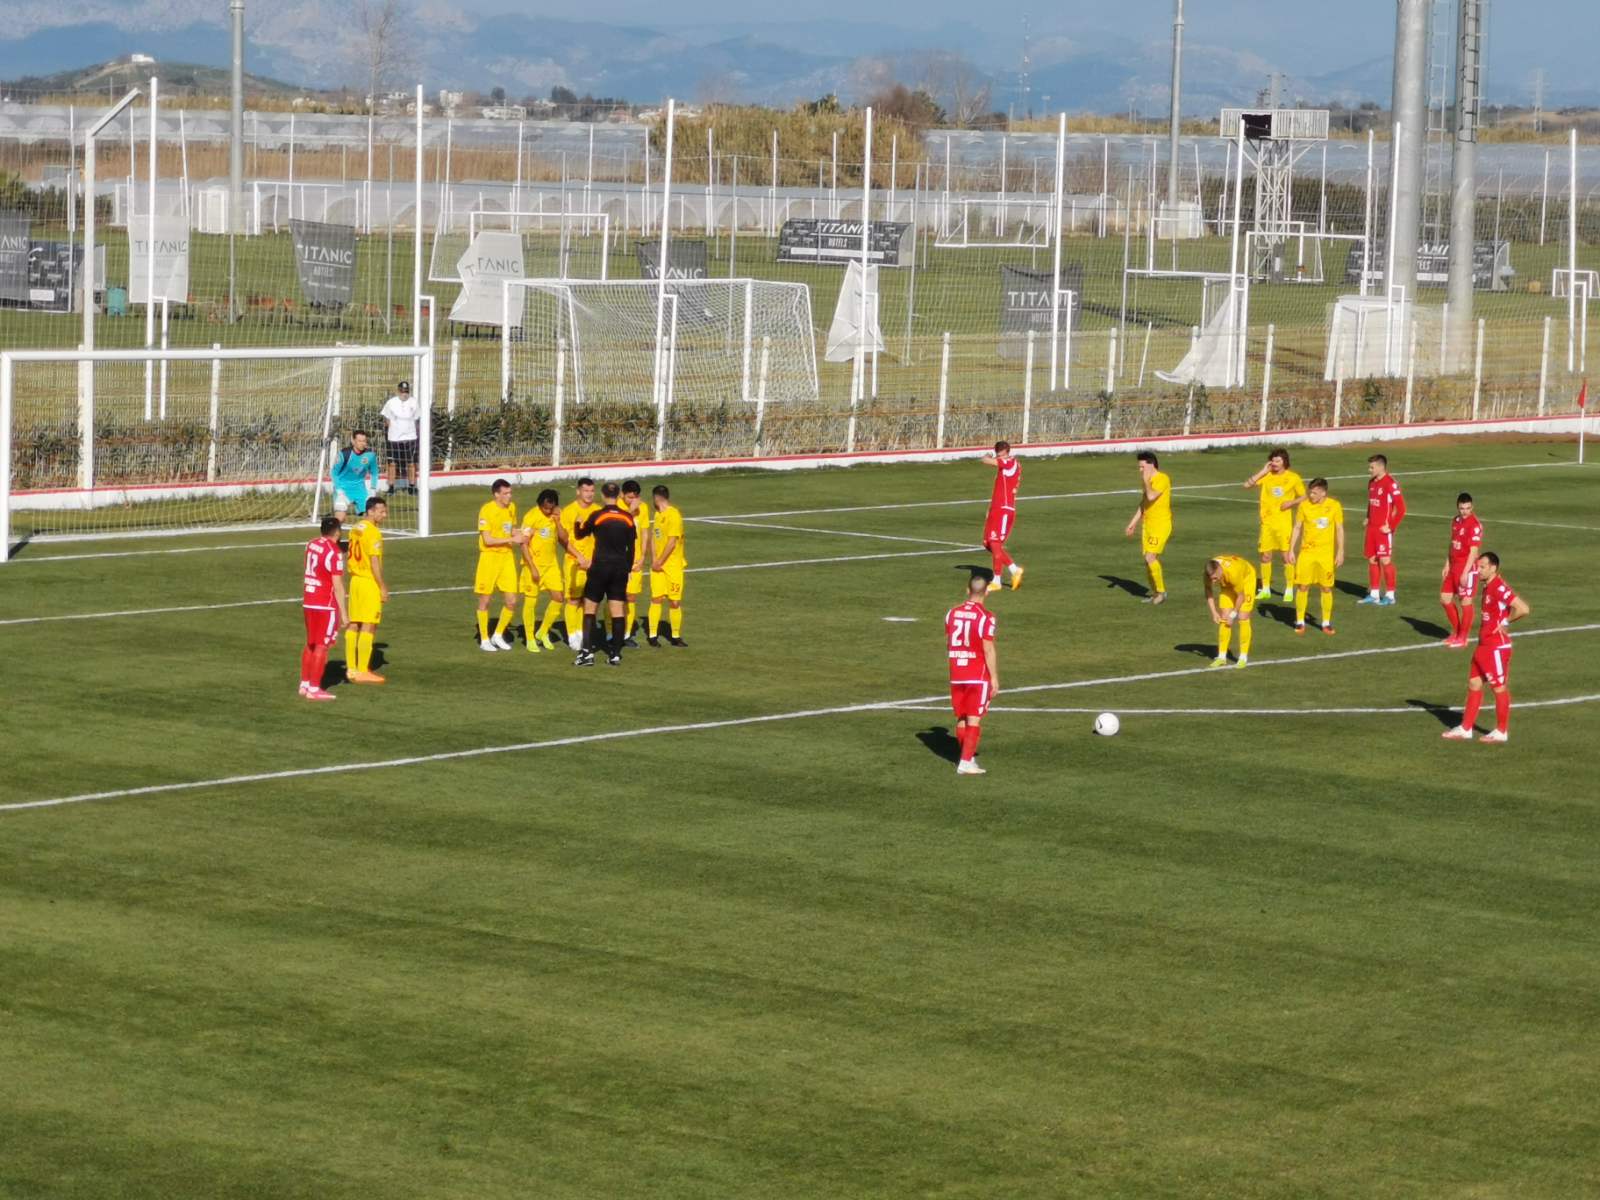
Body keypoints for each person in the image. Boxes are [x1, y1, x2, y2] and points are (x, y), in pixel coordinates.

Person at [1441, 552, 1529, 744]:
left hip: (1496, 647)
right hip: (1483, 646)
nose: (1478, 570)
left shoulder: (1498, 586)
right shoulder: (1488, 586)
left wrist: (1505, 621)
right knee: (1474, 683)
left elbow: (1523, 608)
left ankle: (1501, 731)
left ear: (1493, 568)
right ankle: (1466, 728)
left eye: (1482, 567)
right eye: (1478, 566)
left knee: (1499, 688)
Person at [573, 482, 637, 667]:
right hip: (619, 569)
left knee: (590, 608)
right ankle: (615, 654)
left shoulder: (597, 515)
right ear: (618, 496)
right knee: (617, 611)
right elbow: (631, 547)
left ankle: (587, 653)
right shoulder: (627, 518)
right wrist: (628, 567)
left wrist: (577, 522)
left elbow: (579, 535)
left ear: (602, 495)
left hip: (600, 567)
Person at [945, 572, 1000, 776]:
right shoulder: (986, 617)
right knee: (974, 718)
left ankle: (966, 757)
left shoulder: (951, 613)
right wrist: (993, 677)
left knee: (961, 717)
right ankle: (966, 762)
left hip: (956, 672)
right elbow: (988, 648)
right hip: (976, 673)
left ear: (967, 590)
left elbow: (950, 639)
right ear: (986, 592)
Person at [1242, 448, 1306, 600]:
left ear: (1285, 462)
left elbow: (1305, 496)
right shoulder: (1267, 476)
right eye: (1273, 461)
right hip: (1267, 524)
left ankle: (1289, 589)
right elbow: (1246, 485)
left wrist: (1291, 502)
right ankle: (1265, 589)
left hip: (1283, 524)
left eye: (1278, 461)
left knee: (1286, 556)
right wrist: (1263, 471)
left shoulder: (1293, 478)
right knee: (1265, 556)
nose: (1275, 464)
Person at [1286, 478, 1344, 636]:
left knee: (1326, 587)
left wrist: (1340, 551)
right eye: (1310, 492)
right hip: (1306, 554)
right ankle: (1299, 621)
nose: (1311, 495)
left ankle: (1326, 622)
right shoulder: (1304, 506)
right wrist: (1291, 550)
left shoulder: (1334, 506)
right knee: (1303, 586)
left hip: (1325, 556)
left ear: (1323, 492)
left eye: (1314, 492)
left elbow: (1339, 529)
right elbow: (1297, 527)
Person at [299, 515, 347, 702]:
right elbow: (338, 585)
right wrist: (344, 613)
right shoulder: (334, 553)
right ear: (337, 532)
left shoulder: (311, 544)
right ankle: (314, 688)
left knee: (310, 643)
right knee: (322, 645)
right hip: (325, 604)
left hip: (309, 599)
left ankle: (304, 684)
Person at [474, 479, 523, 652]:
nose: (509, 496)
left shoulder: (512, 508)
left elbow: (512, 530)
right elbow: (487, 540)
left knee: (511, 601)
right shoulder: (487, 510)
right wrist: (511, 539)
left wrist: (523, 533)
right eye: (506, 493)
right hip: (489, 559)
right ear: (496, 494)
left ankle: (498, 634)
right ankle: (484, 639)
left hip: (507, 558)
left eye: (510, 493)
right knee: (485, 600)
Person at [345, 496, 389, 683]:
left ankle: (351, 668)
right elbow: (374, 563)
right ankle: (363, 670)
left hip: (354, 581)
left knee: (354, 623)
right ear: (370, 511)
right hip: (368, 582)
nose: (384, 515)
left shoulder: (356, 528)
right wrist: (382, 586)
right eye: (381, 511)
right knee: (369, 624)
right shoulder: (373, 533)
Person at [518, 488, 566, 653]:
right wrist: (532, 567)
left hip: (551, 565)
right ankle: (530, 638)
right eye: (545, 508)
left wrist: (558, 521)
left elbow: (563, 538)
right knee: (531, 602)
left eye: (550, 508)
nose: (547, 511)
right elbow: (523, 544)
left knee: (559, 598)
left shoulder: (555, 516)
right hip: (534, 565)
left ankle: (543, 631)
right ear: (540, 504)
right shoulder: (531, 517)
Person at [1124, 450, 1173, 603]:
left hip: (1161, 524)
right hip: (1148, 525)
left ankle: (1161, 593)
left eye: (1142, 467)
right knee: (1148, 560)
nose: (1140, 470)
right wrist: (1133, 523)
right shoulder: (1147, 480)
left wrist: (1146, 480)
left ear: (1151, 465)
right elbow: (1145, 502)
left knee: (1150, 556)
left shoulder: (1162, 478)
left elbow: (1152, 496)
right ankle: (1155, 593)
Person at [558, 477, 600, 646]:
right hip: (574, 562)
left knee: (587, 599)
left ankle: (582, 632)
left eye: (591, 491)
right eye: (586, 491)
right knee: (573, 599)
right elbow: (563, 540)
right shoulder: (569, 512)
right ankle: (572, 635)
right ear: (578, 492)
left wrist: (593, 559)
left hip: (593, 562)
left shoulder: (598, 510)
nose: (589, 494)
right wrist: (579, 557)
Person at [1360, 453, 1406, 605]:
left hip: (1383, 530)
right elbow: (1371, 502)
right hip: (1371, 529)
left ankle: (1390, 595)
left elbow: (1401, 509)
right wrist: (1368, 516)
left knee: (1385, 560)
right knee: (1372, 560)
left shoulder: (1391, 484)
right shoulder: (1371, 483)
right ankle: (1374, 594)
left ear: (1381, 466)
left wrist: (1391, 527)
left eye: (1372, 467)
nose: (1369, 469)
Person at [1440, 492, 1484, 648]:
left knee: (1465, 602)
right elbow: (1452, 544)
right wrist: (1447, 564)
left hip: (1467, 568)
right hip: (1453, 566)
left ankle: (1463, 637)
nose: (1465, 511)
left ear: (1472, 507)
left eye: (1468, 508)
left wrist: (1465, 572)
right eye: (1462, 508)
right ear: (1457, 507)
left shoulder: (1475, 525)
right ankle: (1457, 632)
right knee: (1445, 599)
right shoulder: (1456, 521)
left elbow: (1473, 552)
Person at [980, 440, 1024, 592]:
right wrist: (990, 508)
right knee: (988, 543)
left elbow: (985, 460)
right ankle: (1014, 570)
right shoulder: (1008, 463)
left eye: (1001, 453)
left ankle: (997, 580)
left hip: (1004, 509)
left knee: (995, 542)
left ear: (1006, 452)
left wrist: (988, 455)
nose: (1000, 456)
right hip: (997, 508)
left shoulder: (1010, 463)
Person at [648, 484, 688, 648]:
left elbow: (672, 542)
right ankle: (652, 635)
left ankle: (676, 636)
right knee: (656, 599)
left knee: (674, 602)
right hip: (658, 566)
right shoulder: (658, 515)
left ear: (656, 498)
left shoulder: (674, 515)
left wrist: (660, 561)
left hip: (672, 567)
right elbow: (653, 538)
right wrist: (654, 560)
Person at [1203, 554, 1257, 669]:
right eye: (1211, 578)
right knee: (1224, 617)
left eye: (1215, 578)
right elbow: (1208, 591)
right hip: (1227, 585)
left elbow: (1241, 596)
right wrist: (1214, 613)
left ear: (1219, 570)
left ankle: (1243, 657)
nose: (1213, 582)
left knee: (1243, 616)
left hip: (1245, 579)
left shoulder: (1234, 573)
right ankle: (1222, 657)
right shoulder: (1208, 574)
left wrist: (1233, 614)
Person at [621, 480, 650, 646]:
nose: (632, 500)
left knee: (631, 597)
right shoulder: (617, 507)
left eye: (635, 497)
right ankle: (611, 632)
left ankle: (626, 634)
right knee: (616, 597)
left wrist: (642, 557)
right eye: (629, 497)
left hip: (635, 561)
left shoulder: (644, 508)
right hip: (618, 560)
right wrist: (630, 511)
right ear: (622, 494)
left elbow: (645, 532)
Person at [379, 380, 420, 496]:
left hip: (410, 438)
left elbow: (417, 419)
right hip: (394, 439)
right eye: (402, 391)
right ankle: (391, 487)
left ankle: (412, 486)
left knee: (411, 463)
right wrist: (391, 433)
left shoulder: (414, 402)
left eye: (406, 391)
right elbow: (386, 420)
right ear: (398, 391)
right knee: (392, 463)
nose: (404, 394)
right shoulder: (391, 403)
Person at [329, 429, 379, 518]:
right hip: (343, 489)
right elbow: (334, 473)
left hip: (360, 490)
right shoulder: (344, 454)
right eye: (359, 441)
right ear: (353, 441)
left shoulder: (370, 455)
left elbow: (374, 473)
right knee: (340, 518)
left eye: (364, 441)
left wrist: (373, 489)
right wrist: (339, 490)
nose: (362, 443)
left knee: (370, 517)